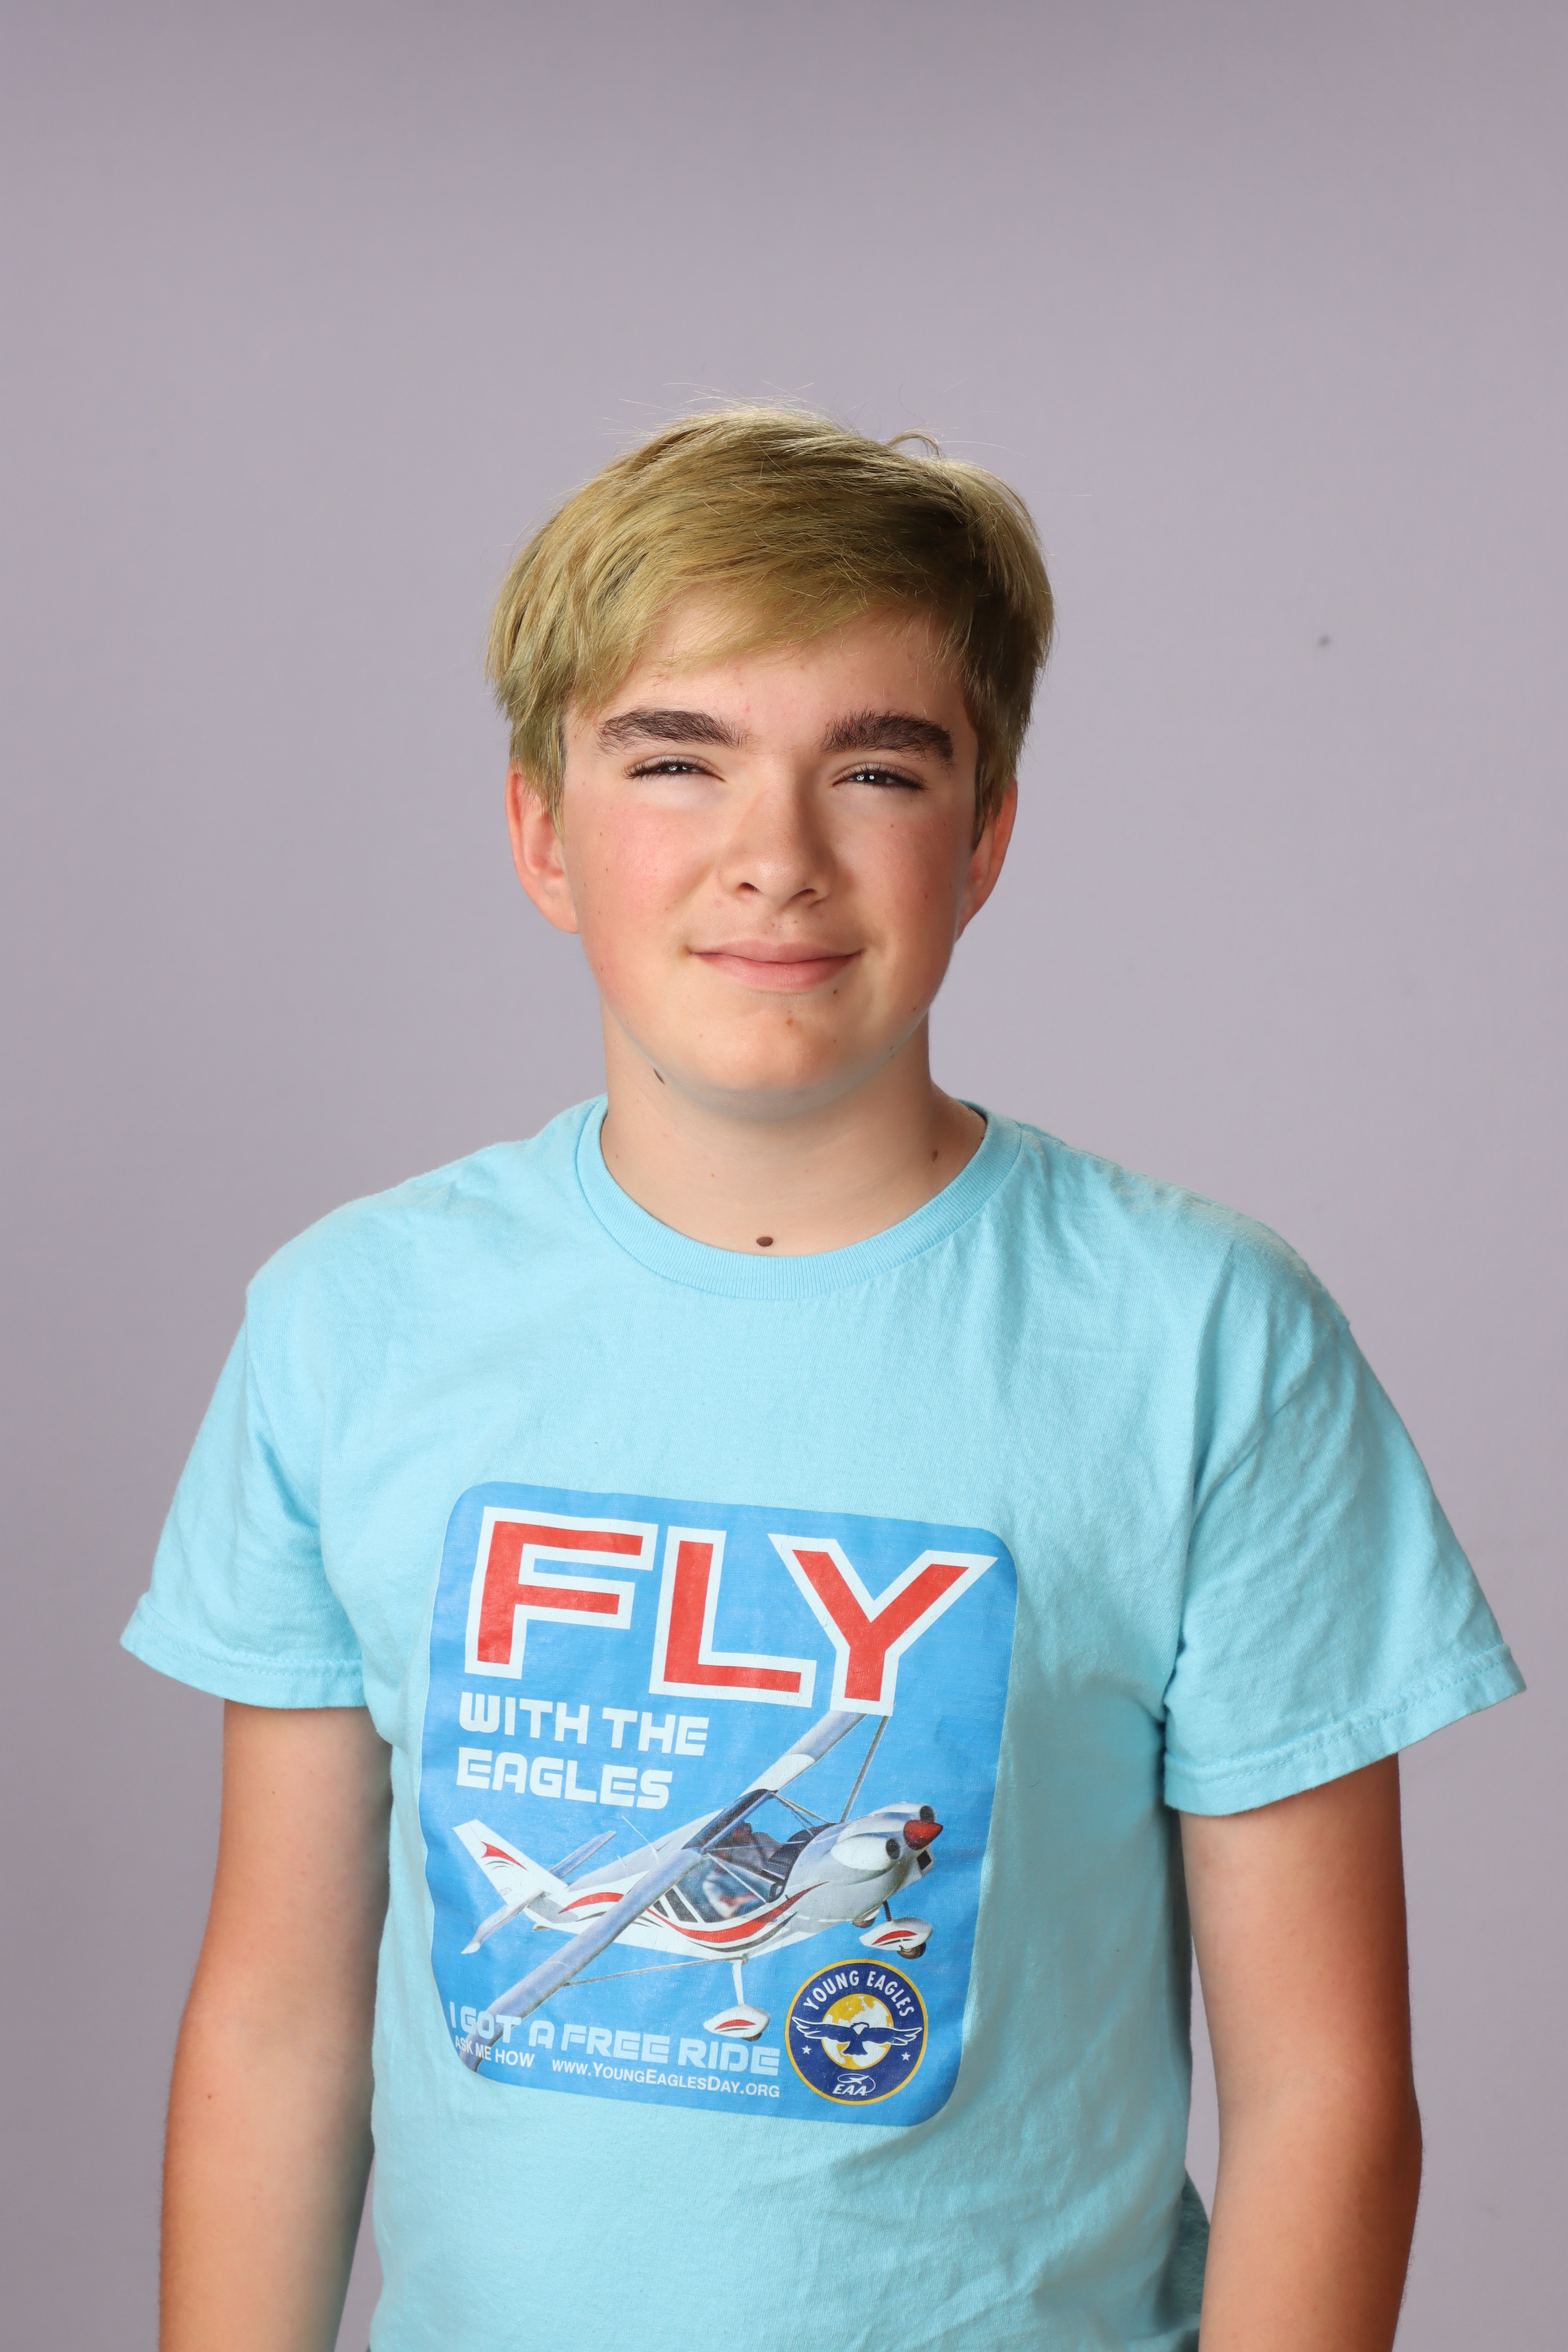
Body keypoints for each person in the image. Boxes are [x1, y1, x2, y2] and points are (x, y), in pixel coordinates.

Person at [124, 407, 1522, 2352]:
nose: (772, 861)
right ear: (540, 834)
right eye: (674, 762)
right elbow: (278, 2031)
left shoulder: (1206, 1340)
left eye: (873, 770)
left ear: (985, 836)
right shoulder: (347, 1322)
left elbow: (1324, 2093)